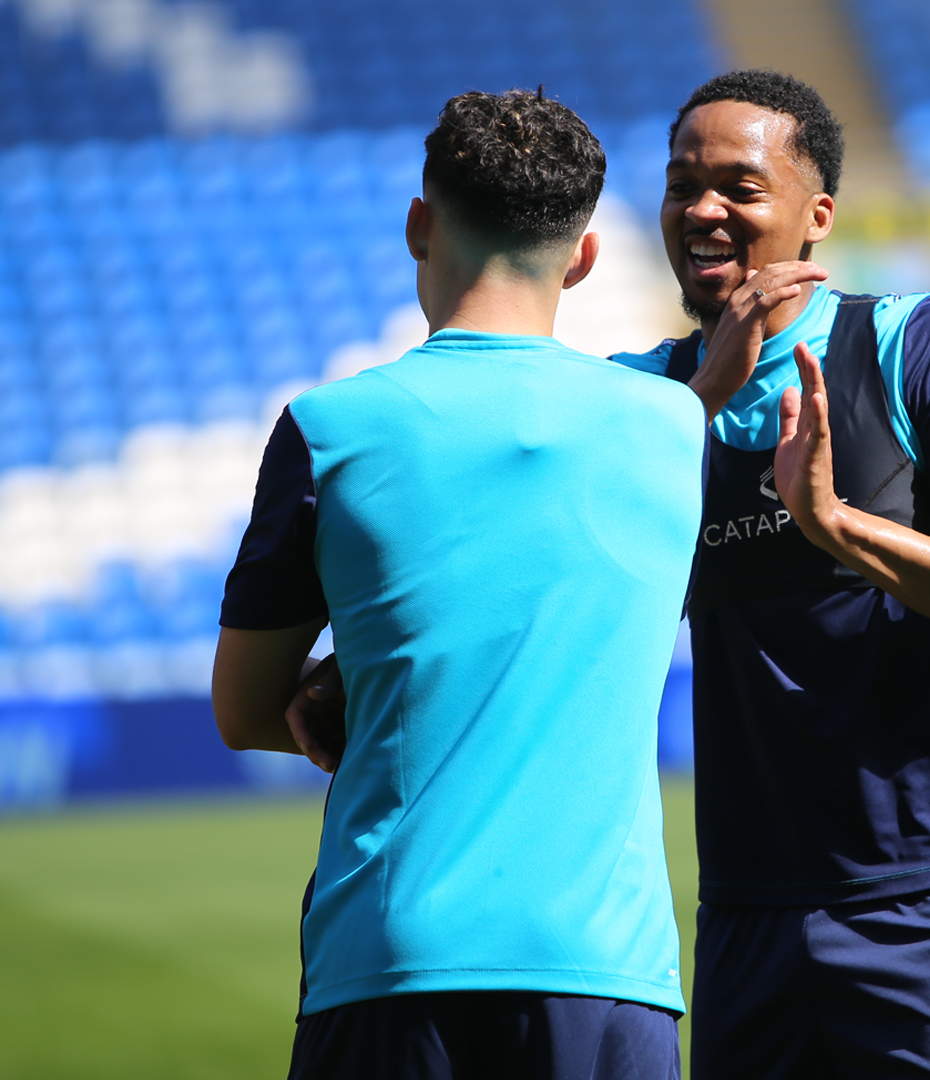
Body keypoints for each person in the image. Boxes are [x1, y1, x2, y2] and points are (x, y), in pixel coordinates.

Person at [288, 71, 930, 1079]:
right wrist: (347, 671)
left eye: (739, 187)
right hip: (744, 907)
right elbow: (516, 583)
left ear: (816, 213)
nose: (702, 209)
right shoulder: (638, 403)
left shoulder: (910, 346)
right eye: (681, 185)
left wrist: (836, 528)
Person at [211, 89, 721, 1080]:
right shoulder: (672, 429)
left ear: (418, 225)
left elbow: (242, 710)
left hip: (391, 961)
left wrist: (345, 679)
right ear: (584, 255)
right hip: (606, 972)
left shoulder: (329, 430)